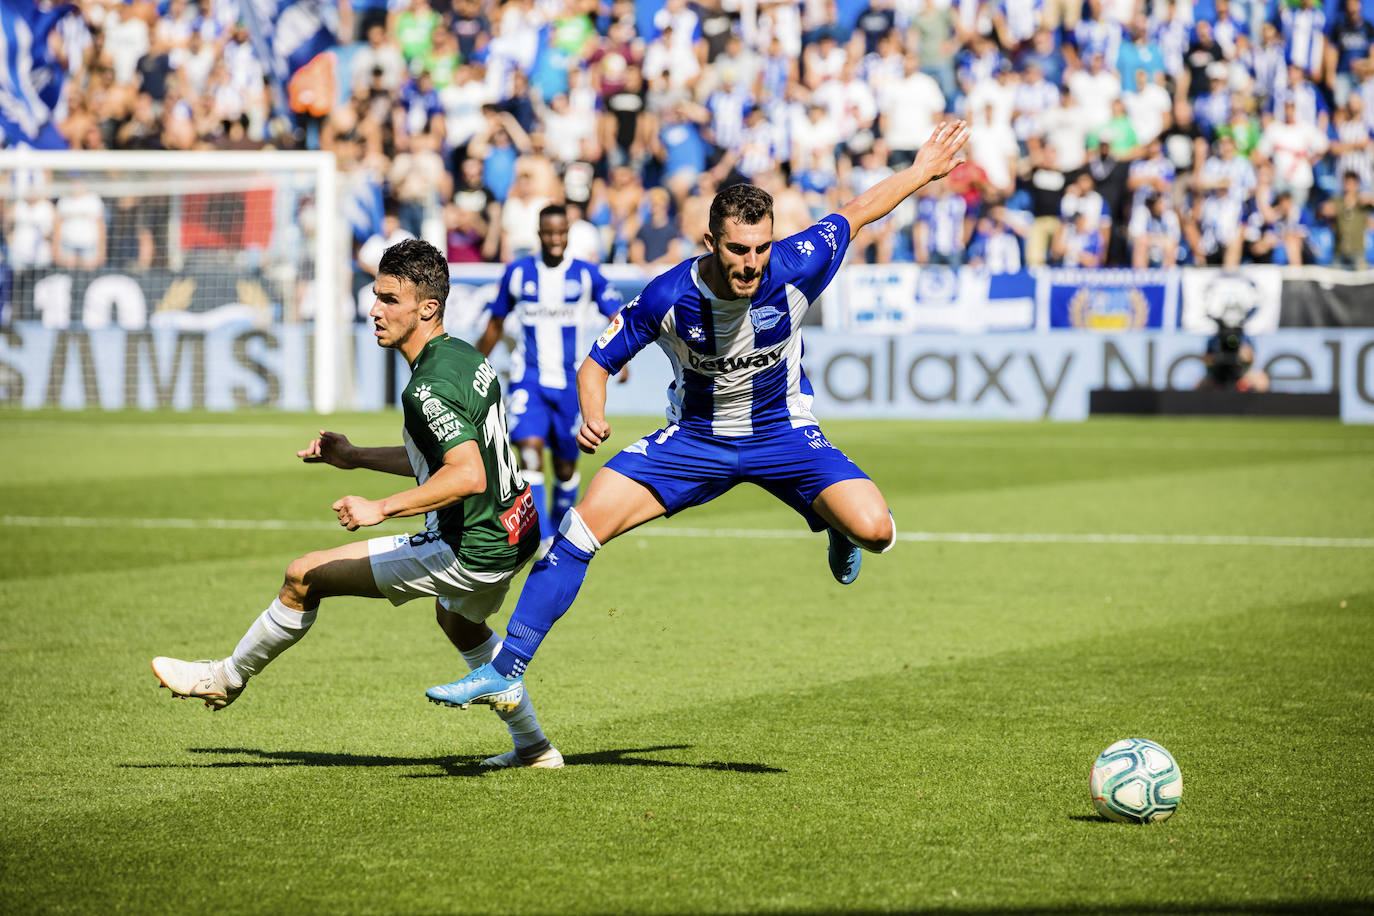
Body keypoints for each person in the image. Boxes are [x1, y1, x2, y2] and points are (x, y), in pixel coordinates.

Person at [425, 120, 971, 713]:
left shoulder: (799, 263)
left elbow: (859, 210)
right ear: (711, 243)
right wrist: (593, 415)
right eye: (739, 249)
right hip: (694, 442)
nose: (753, 263)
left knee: (877, 530)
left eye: (762, 248)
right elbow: (596, 363)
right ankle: (506, 669)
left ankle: (839, 529)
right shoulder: (668, 295)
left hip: (783, 433)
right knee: (579, 530)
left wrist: (920, 171)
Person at [151, 239, 563, 769]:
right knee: (458, 623)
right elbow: (447, 455)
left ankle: (225, 677)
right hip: (513, 530)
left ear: (427, 308)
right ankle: (533, 747)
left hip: (469, 549)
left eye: (390, 299)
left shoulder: (426, 388)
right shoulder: (465, 356)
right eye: (375, 296)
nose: (374, 310)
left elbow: (465, 473)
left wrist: (382, 508)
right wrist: (354, 456)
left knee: (303, 575)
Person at [475, 204, 623, 555]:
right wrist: (474, 361)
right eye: (549, 233)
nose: (555, 239)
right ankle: (539, 537)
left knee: (566, 466)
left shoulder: (587, 275)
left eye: (561, 233)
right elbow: (496, 322)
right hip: (529, 379)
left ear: (567, 234)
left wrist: (622, 356)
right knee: (528, 452)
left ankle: (559, 522)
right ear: (539, 234)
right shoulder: (518, 273)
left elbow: (618, 315)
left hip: (572, 383)